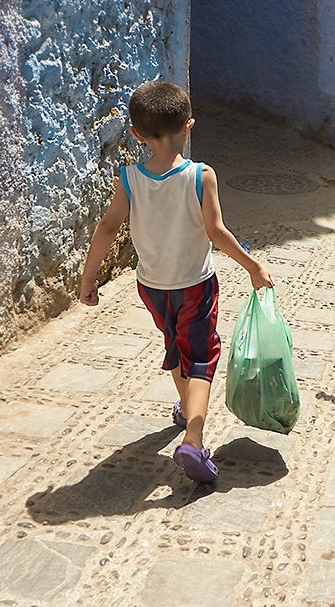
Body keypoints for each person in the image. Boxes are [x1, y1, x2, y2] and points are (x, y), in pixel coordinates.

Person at [79, 81, 273, 482]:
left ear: (135, 133)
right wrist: (252, 267)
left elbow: (107, 227)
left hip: (151, 287)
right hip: (195, 285)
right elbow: (216, 232)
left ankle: (187, 409)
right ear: (189, 126)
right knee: (201, 356)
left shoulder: (129, 178)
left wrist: (88, 277)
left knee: (175, 344)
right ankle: (195, 437)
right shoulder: (201, 176)